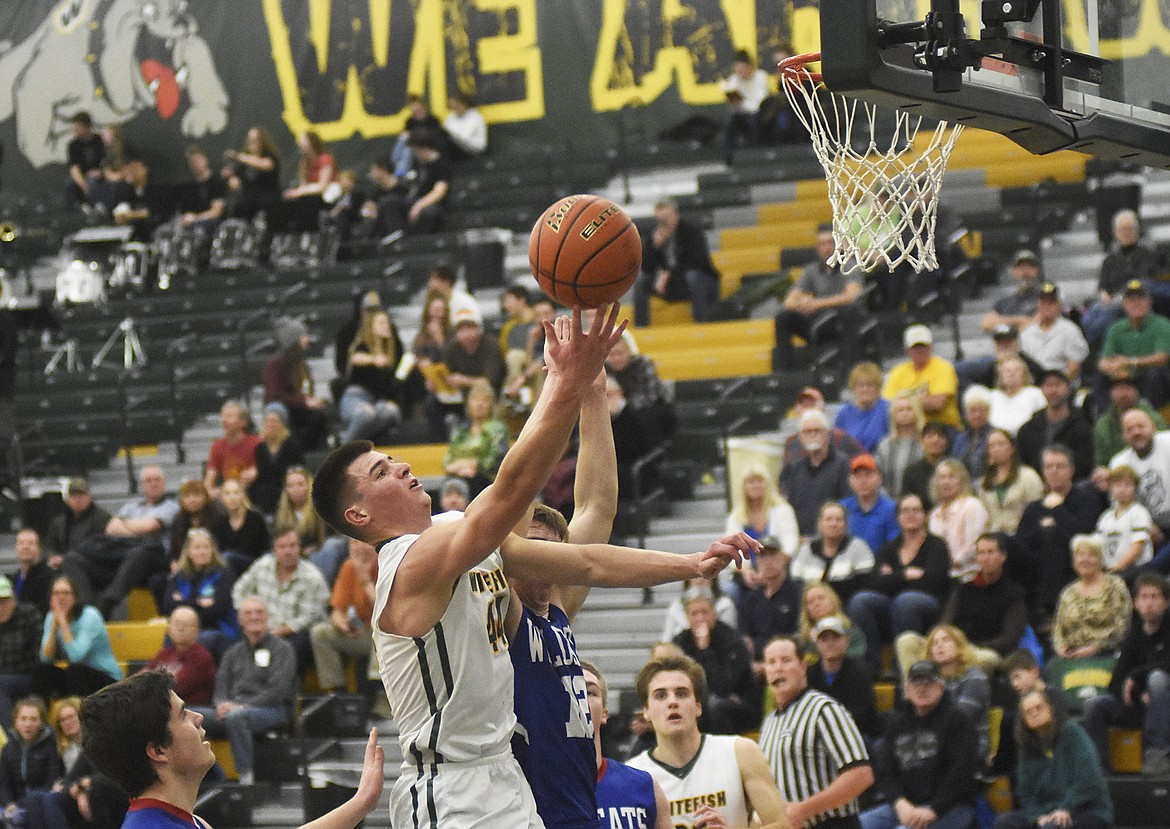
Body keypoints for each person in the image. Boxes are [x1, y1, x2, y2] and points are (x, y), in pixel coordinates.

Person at [309, 305, 756, 828]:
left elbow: (586, 555)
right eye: (382, 471)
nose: (404, 466)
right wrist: (563, 382)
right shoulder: (406, 562)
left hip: (507, 780)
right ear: (359, 513)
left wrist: (691, 563)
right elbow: (509, 491)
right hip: (451, 786)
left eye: (394, 459)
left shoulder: (466, 538)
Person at [80, 669, 383, 829]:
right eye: (183, 714)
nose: (199, 718)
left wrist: (362, 802)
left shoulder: (183, 819)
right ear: (158, 751)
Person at [626, 654, 788, 829]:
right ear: (646, 711)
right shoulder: (632, 774)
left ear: (698, 706)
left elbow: (781, 824)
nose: (672, 702)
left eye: (681, 693)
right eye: (661, 695)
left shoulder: (739, 751)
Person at [757, 636, 873, 829]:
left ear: (803, 666)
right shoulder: (769, 722)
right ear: (765, 672)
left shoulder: (824, 709)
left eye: (786, 660)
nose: (778, 668)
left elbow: (861, 774)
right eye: (771, 662)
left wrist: (805, 809)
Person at [189, 597, 297, 786]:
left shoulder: (283, 649)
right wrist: (221, 704)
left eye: (259, 612)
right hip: (233, 709)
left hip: (272, 709)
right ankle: (201, 777)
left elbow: (277, 692)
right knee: (192, 717)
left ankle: (246, 779)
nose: (254, 617)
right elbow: (220, 687)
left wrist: (240, 706)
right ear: (239, 620)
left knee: (237, 717)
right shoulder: (233, 653)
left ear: (268, 617)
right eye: (248, 613)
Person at [858, 660, 978, 829]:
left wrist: (933, 810)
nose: (921, 689)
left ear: (941, 687)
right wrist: (900, 803)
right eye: (916, 683)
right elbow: (886, 771)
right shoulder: (896, 722)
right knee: (857, 824)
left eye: (928, 683)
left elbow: (961, 775)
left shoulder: (958, 720)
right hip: (904, 807)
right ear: (907, 689)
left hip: (951, 808)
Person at [846, 493, 952, 675]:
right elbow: (874, 583)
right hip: (894, 605)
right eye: (905, 511)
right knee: (860, 600)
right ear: (898, 518)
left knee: (906, 600)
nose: (910, 515)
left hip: (929, 607)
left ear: (924, 516)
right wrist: (905, 575)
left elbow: (935, 582)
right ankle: (869, 664)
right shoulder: (889, 548)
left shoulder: (937, 546)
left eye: (916, 510)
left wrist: (892, 578)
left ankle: (899, 665)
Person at [896, 534, 1026, 677]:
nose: (985, 558)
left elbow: (1009, 639)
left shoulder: (1014, 594)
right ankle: (913, 694)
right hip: (952, 645)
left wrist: (967, 648)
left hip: (981, 649)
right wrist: (946, 644)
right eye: (981, 553)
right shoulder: (964, 589)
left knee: (987, 658)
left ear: (1002, 556)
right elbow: (945, 623)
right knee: (907, 640)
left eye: (991, 552)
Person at [1081, 572, 1170, 774]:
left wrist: (1139, 675)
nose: (1149, 603)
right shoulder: (1134, 633)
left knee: (1157, 679)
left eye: (1155, 597)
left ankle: (1157, 752)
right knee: (1095, 705)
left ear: (1166, 602)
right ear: (1135, 603)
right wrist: (1139, 692)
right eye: (1144, 597)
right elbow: (1116, 682)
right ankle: (1100, 770)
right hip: (1139, 704)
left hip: (1165, 704)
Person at [62, 465, 180, 618]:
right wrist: (137, 529)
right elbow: (111, 528)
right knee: (71, 559)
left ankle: (106, 605)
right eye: (148, 480)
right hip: (121, 555)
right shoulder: (131, 506)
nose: (153, 483)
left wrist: (125, 526)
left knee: (142, 551)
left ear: (164, 483)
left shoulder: (172, 506)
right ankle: (85, 610)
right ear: (142, 485)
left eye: (157, 479)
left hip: (152, 559)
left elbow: (150, 527)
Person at [1012, 445, 1106, 626]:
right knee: (1002, 543)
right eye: (1049, 467)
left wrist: (1058, 509)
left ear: (1071, 470)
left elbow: (1080, 536)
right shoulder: (1034, 507)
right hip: (1035, 566)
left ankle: (1048, 610)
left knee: (1050, 534)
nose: (1054, 471)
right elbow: (1021, 543)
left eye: (1059, 466)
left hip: (1071, 562)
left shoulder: (1087, 499)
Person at [993, 690, 1112, 829]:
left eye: (1039, 708)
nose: (1034, 713)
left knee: (1053, 827)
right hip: (1046, 814)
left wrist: (1065, 808)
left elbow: (1089, 780)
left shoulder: (1071, 732)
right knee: (1004, 822)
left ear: (1050, 708)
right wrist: (1037, 816)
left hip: (1086, 810)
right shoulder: (1026, 745)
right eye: (1028, 712)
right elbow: (1025, 791)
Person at [582, 661, 671, 829]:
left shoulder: (644, 785)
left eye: (588, 692)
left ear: (604, 713)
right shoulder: (534, 790)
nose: (579, 699)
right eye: (570, 690)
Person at [231, 529, 329, 674]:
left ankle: (286, 691)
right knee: (235, 642)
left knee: (291, 646)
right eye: (282, 547)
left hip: (294, 633)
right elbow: (239, 590)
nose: (287, 551)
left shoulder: (312, 577)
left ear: (299, 549)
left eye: (292, 546)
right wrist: (250, 615)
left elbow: (309, 617)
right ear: (274, 550)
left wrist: (277, 632)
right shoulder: (262, 566)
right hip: (260, 626)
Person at [671, 588, 758, 735]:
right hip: (698, 700)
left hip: (737, 706)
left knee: (713, 705)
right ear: (687, 616)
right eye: (694, 613)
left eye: (704, 612)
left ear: (714, 612)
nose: (700, 618)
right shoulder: (680, 641)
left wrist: (705, 650)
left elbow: (722, 686)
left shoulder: (733, 641)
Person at [775, 229, 864, 366]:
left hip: (841, 321)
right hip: (820, 321)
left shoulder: (850, 266)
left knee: (848, 312)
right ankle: (784, 372)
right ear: (817, 249)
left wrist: (816, 303)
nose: (827, 248)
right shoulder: (811, 270)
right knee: (783, 318)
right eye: (822, 244)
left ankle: (849, 369)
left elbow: (851, 296)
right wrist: (802, 304)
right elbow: (789, 301)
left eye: (830, 243)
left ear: (838, 245)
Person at [633, 199, 721, 326]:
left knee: (693, 277)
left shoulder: (691, 232)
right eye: (660, 221)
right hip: (672, 284)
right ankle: (641, 328)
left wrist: (668, 275)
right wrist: (655, 247)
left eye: (666, 219)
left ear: (675, 215)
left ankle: (702, 325)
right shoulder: (656, 235)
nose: (664, 224)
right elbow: (647, 267)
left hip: (700, 281)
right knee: (641, 282)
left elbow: (698, 262)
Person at [31, 577, 120, 701]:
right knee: (41, 671)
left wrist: (62, 622)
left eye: (66, 593)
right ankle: (39, 716)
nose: (61, 597)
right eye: (56, 593)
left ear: (75, 597)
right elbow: (46, 658)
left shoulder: (90, 616)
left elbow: (76, 657)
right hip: (77, 678)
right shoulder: (51, 617)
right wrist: (53, 627)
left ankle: (80, 716)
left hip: (106, 678)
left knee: (75, 670)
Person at [308, 539, 379, 696]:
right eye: (354, 543)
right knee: (321, 633)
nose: (359, 547)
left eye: (363, 542)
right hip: (362, 633)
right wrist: (342, 624)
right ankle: (337, 694)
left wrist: (365, 581)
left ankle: (379, 695)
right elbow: (337, 610)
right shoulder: (349, 566)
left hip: (389, 633)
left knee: (380, 632)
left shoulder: (388, 563)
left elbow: (387, 610)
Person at [1082, 209, 1161, 346]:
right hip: (1110, 299)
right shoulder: (1109, 260)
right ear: (1116, 233)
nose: (1126, 233)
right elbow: (1102, 285)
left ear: (1136, 231)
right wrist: (1104, 294)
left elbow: (1143, 281)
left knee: (1106, 315)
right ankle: (1082, 340)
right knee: (1091, 314)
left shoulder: (1147, 255)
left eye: (1130, 228)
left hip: (1132, 298)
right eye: (1122, 229)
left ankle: (1086, 344)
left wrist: (1120, 296)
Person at [161, 529, 239, 660]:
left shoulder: (224, 575)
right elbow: (168, 606)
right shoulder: (178, 576)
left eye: (206, 547)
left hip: (217, 629)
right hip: (186, 627)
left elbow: (217, 610)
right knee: (170, 637)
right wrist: (198, 603)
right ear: (189, 552)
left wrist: (183, 603)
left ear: (212, 551)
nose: (202, 551)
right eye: (197, 548)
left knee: (203, 639)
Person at [1051, 535, 1131, 660]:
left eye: (1092, 555)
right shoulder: (1068, 592)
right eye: (1081, 555)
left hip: (1106, 654)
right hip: (1072, 656)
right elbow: (1058, 630)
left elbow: (1122, 626)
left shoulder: (1115, 585)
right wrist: (1061, 648)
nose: (1085, 560)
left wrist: (1097, 648)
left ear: (1100, 560)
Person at [922, 625, 992, 762]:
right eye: (935, 643)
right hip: (936, 745)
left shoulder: (974, 678)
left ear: (959, 646)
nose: (939, 646)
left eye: (946, 640)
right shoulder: (930, 679)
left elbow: (959, 721)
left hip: (970, 748)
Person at [1098, 279, 1170, 409]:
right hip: (1125, 376)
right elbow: (1103, 361)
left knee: (1155, 374)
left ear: (1149, 302)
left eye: (1140, 299)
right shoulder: (1116, 328)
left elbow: (1162, 358)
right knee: (1101, 378)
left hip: (1150, 377)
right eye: (1131, 300)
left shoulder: (1162, 324)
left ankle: (1152, 415)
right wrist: (1113, 368)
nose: (1136, 303)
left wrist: (1130, 362)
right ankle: (1106, 420)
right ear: (1124, 304)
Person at [781, 411, 854, 538]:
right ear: (800, 437)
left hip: (834, 539)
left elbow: (848, 506)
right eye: (807, 432)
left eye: (817, 430)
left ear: (827, 434)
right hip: (802, 541)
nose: (812, 435)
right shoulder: (796, 469)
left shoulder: (843, 465)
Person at [806, 618, 880, 741]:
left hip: (854, 735)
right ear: (817, 644)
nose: (830, 643)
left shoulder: (861, 672)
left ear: (846, 641)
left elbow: (864, 714)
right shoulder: (809, 674)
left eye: (835, 638)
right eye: (824, 639)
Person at [338, 308, 405, 444]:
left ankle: (352, 440)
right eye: (381, 323)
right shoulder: (362, 347)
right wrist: (374, 360)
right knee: (366, 414)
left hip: (376, 402)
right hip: (355, 397)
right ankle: (343, 448)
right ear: (371, 327)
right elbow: (355, 358)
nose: (386, 326)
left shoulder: (392, 353)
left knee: (392, 412)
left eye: (386, 323)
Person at [1015, 369, 1094, 481]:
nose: (1053, 391)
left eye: (1057, 385)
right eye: (1048, 385)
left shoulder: (1082, 427)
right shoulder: (1028, 429)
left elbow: (1085, 465)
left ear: (1068, 389)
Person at [264, 316, 330, 451]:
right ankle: (297, 449)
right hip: (286, 409)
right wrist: (304, 402)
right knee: (317, 416)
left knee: (324, 411)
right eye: (303, 335)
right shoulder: (276, 363)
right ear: (294, 340)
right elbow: (275, 395)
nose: (307, 339)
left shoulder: (300, 363)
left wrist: (311, 401)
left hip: (298, 407)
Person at [790, 503, 874, 605]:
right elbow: (795, 583)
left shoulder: (858, 547)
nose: (833, 524)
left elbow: (865, 584)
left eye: (838, 520)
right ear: (820, 523)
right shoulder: (805, 550)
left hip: (846, 606)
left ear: (846, 524)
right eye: (828, 520)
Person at [739, 537, 804, 668]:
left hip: (790, 661)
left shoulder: (798, 594)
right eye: (762, 556)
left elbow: (799, 635)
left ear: (784, 558)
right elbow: (746, 639)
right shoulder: (750, 599)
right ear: (756, 562)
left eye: (773, 555)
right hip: (758, 665)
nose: (768, 561)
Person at [374, 128, 451, 236]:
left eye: (415, 150)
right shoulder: (418, 163)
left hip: (431, 204)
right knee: (389, 202)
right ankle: (396, 235)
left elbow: (439, 191)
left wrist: (419, 205)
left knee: (429, 212)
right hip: (414, 200)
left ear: (423, 148)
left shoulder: (441, 164)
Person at [882, 325, 961, 430]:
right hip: (910, 428)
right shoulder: (898, 371)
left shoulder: (943, 367)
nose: (920, 350)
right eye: (915, 347)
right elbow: (888, 403)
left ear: (930, 346)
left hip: (942, 427)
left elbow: (937, 403)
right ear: (908, 350)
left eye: (923, 346)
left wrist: (905, 403)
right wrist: (921, 401)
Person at [1106, 408, 1170, 536]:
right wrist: (1145, 524)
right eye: (1129, 429)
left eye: (1141, 426)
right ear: (1123, 436)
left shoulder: (1168, 442)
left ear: (1153, 427)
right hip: (1148, 530)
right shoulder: (1119, 463)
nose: (1136, 432)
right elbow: (1120, 504)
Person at [0, 698, 63, 824]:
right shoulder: (8, 748)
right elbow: (4, 784)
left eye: (33, 719)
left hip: (42, 801)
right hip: (14, 805)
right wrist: (9, 804)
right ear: (16, 722)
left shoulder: (51, 745)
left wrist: (25, 803)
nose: (28, 724)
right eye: (23, 719)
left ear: (41, 722)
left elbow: (52, 779)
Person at [443, 380, 510, 498]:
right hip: (459, 476)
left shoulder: (498, 429)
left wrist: (475, 466)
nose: (479, 404)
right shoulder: (461, 430)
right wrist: (461, 467)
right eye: (475, 400)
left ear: (491, 405)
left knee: (471, 482)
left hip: (485, 481)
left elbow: (495, 459)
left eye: (485, 400)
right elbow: (449, 459)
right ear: (469, 403)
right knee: (450, 487)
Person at [143, 606, 216, 706]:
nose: (180, 628)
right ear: (169, 629)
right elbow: (140, 679)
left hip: (190, 710)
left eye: (186, 625)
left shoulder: (201, 657)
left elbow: (176, 687)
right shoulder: (164, 653)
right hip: (162, 706)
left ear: (197, 631)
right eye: (176, 624)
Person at [927, 459, 988, 579]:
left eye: (952, 477)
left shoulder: (972, 505)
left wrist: (954, 562)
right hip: (942, 575)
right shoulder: (934, 514)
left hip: (969, 574)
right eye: (942, 477)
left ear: (962, 481)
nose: (946, 482)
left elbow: (976, 542)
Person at [1018, 283, 1090, 383]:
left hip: (1062, 383)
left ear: (1059, 305)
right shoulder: (1027, 332)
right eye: (1043, 302)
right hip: (1032, 385)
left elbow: (1074, 367)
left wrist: (1052, 384)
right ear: (1038, 304)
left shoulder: (1070, 330)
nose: (1047, 306)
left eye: (1051, 303)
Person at [1092, 374, 1166, 469]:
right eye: (1119, 389)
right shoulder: (1102, 425)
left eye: (1127, 388)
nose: (1124, 394)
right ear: (1111, 393)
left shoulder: (1151, 416)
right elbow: (1102, 462)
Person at [978, 429, 1044, 534]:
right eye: (991, 446)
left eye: (1001, 444)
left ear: (1012, 448)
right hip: (995, 536)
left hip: (1022, 535)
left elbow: (1037, 511)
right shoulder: (985, 482)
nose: (996, 449)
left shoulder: (1027, 476)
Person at [726, 462, 800, 551]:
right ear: (743, 487)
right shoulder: (736, 517)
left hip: (780, 563)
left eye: (760, 481)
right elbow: (731, 546)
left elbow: (790, 540)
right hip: (746, 564)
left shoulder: (783, 510)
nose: (756, 485)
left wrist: (780, 559)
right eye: (751, 482)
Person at [1095, 466, 1154, 574]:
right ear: (1110, 488)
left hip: (1135, 570)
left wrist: (1117, 569)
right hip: (1108, 570)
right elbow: (1098, 546)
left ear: (1135, 488)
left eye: (1128, 485)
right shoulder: (1105, 517)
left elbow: (1137, 547)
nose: (1122, 489)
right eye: (1117, 485)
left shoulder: (1139, 513)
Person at [249, 402, 305, 517]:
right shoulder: (260, 448)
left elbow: (299, 469)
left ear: (282, 424)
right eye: (268, 421)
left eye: (275, 421)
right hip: (266, 491)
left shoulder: (292, 446)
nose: (271, 424)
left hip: (285, 487)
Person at [0, 577, 41, 730]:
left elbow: (37, 654)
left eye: (5, 600)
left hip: (28, 676)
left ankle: (11, 737)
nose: (1, 605)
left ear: (13, 600)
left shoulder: (29, 614)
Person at [277, 130, 335, 232]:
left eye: (304, 141)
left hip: (326, 197)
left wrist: (298, 192)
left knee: (307, 203)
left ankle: (310, 232)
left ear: (312, 143)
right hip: (309, 195)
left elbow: (322, 186)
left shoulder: (325, 159)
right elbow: (303, 184)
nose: (300, 143)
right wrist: (295, 192)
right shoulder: (304, 163)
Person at [43, 478, 110, 566]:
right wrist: (53, 557)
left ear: (89, 497)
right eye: (74, 495)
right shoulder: (59, 523)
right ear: (68, 499)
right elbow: (49, 546)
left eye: (82, 495)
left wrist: (66, 559)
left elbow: (101, 548)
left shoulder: (102, 518)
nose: (78, 499)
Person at [841, 454, 899, 554]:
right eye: (858, 476)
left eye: (868, 475)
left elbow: (894, 545)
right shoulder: (842, 509)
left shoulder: (891, 509)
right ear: (851, 481)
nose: (863, 481)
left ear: (879, 478)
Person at [203, 401, 260, 500]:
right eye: (223, 416)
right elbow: (210, 477)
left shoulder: (257, 444)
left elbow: (264, 470)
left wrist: (255, 472)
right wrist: (209, 492)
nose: (224, 420)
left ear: (243, 422)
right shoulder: (217, 446)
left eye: (229, 416)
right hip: (227, 495)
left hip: (252, 494)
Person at [721, 49, 770, 163]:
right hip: (742, 116)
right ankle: (729, 157)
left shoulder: (761, 77)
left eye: (742, 68)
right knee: (730, 122)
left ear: (749, 67)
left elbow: (758, 104)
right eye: (738, 69)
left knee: (753, 121)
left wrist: (742, 104)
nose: (740, 72)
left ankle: (756, 154)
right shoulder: (734, 79)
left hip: (758, 115)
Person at [874, 393, 925, 499]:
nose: (904, 413)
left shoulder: (925, 444)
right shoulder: (885, 446)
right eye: (900, 410)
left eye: (909, 409)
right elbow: (877, 477)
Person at [223, 126, 281, 220]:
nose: (251, 143)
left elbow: (263, 164)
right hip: (248, 204)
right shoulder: (243, 165)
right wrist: (231, 179)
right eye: (250, 140)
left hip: (266, 202)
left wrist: (237, 156)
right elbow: (237, 181)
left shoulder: (270, 158)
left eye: (255, 140)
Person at [981, 250, 1043, 335]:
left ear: (1037, 270)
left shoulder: (1045, 297)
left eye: (1030, 267)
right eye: (1021, 267)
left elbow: (1040, 323)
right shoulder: (1005, 301)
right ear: (1014, 271)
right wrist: (1018, 320)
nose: (1025, 272)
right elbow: (986, 324)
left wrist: (1003, 321)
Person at [798, 583, 866, 661]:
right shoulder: (805, 640)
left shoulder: (851, 631)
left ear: (833, 600)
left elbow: (858, 656)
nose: (816, 604)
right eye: (811, 601)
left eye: (821, 598)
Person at [217, 479, 271, 575]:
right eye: (227, 494)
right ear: (222, 498)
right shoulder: (220, 521)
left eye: (236, 493)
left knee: (228, 557)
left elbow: (264, 547)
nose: (232, 497)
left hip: (254, 563)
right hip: (228, 564)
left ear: (243, 495)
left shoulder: (255, 517)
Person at [835, 363, 891, 454]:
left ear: (878, 388)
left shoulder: (887, 410)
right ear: (853, 388)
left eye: (869, 385)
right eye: (860, 385)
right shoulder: (844, 413)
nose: (865, 389)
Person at [988, 356, 1046, 438]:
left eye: (1017, 370)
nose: (1011, 374)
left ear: (1024, 374)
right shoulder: (992, 396)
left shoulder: (1035, 394)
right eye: (1007, 371)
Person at [178, 146, 228, 233]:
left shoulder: (217, 181)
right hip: (192, 223)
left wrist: (195, 218)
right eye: (193, 162)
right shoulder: (190, 187)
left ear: (205, 159)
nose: (196, 164)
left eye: (198, 160)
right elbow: (185, 212)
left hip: (212, 226)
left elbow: (216, 212)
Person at [901, 424, 951, 510]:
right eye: (930, 436)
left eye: (940, 436)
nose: (935, 440)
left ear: (946, 442)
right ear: (921, 441)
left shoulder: (955, 468)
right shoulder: (912, 471)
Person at [64, 113, 103, 208]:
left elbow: (106, 160)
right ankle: (76, 207)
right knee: (69, 182)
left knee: (93, 180)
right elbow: (74, 168)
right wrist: (83, 184)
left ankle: (96, 206)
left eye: (78, 127)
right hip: (82, 176)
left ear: (86, 127)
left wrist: (101, 172)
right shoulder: (73, 145)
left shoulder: (99, 141)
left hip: (98, 173)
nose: (75, 130)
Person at [9, 529, 52, 616]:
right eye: (21, 543)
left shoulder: (48, 577)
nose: (26, 547)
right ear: (16, 548)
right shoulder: (15, 578)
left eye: (31, 543)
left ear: (39, 549)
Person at [443, 92, 487, 158]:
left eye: (456, 106)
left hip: (475, 150)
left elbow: (464, 137)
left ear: (464, 104)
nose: (455, 110)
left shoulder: (475, 116)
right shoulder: (450, 117)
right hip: (456, 150)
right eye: (452, 107)